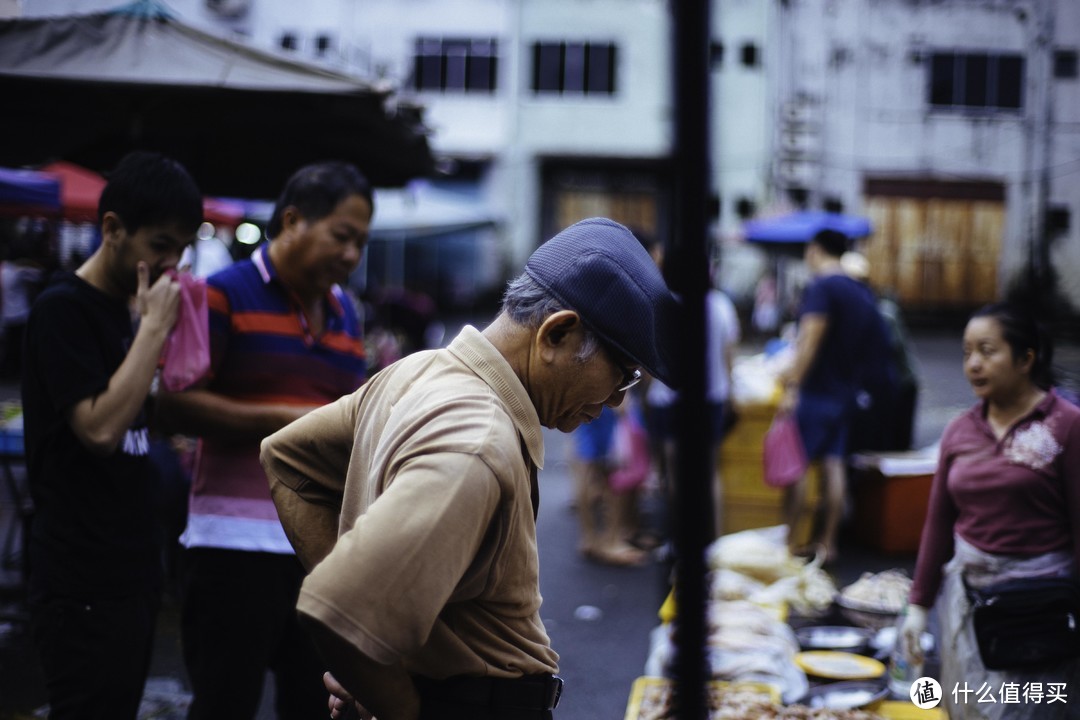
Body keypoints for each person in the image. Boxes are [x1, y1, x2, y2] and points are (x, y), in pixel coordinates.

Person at [260, 217, 679, 720]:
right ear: (558, 333)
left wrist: (376, 658)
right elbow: (341, 610)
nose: (615, 400)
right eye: (623, 374)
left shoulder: (418, 369)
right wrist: (388, 690)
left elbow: (287, 461)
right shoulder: (477, 440)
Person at [154, 161, 372, 720]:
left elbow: (348, 422)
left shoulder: (348, 313)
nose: (351, 255)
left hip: (318, 553)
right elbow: (175, 403)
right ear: (294, 220)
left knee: (312, 706)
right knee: (224, 703)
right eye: (342, 236)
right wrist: (292, 418)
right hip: (231, 546)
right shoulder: (221, 294)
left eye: (361, 243)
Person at [20, 151, 203, 720]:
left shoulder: (131, 308)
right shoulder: (62, 310)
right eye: (160, 246)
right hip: (79, 576)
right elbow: (99, 428)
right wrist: (151, 331)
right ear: (113, 229)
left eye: (181, 250)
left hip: (133, 568)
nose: (171, 265)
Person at [899, 302, 1080, 720]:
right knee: (968, 707)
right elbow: (939, 522)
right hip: (970, 601)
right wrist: (918, 606)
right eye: (966, 353)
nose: (973, 364)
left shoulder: (1065, 425)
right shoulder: (960, 429)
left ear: (1026, 359)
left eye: (986, 351)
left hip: (1043, 609)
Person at [777, 229, 895, 562]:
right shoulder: (859, 290)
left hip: (817, 391)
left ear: (814, 250)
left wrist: (792, 385)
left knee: (797, 466)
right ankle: (828, 543)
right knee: (834, 466)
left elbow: (810, 341)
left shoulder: (821, 286)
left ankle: (792, 543)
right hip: (846, 392)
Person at [841, 250, 919, 452]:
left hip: (901, 383)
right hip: (882, 385)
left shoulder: (882, 312)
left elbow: (884, 350)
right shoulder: (863, 309)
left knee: (895, 442)